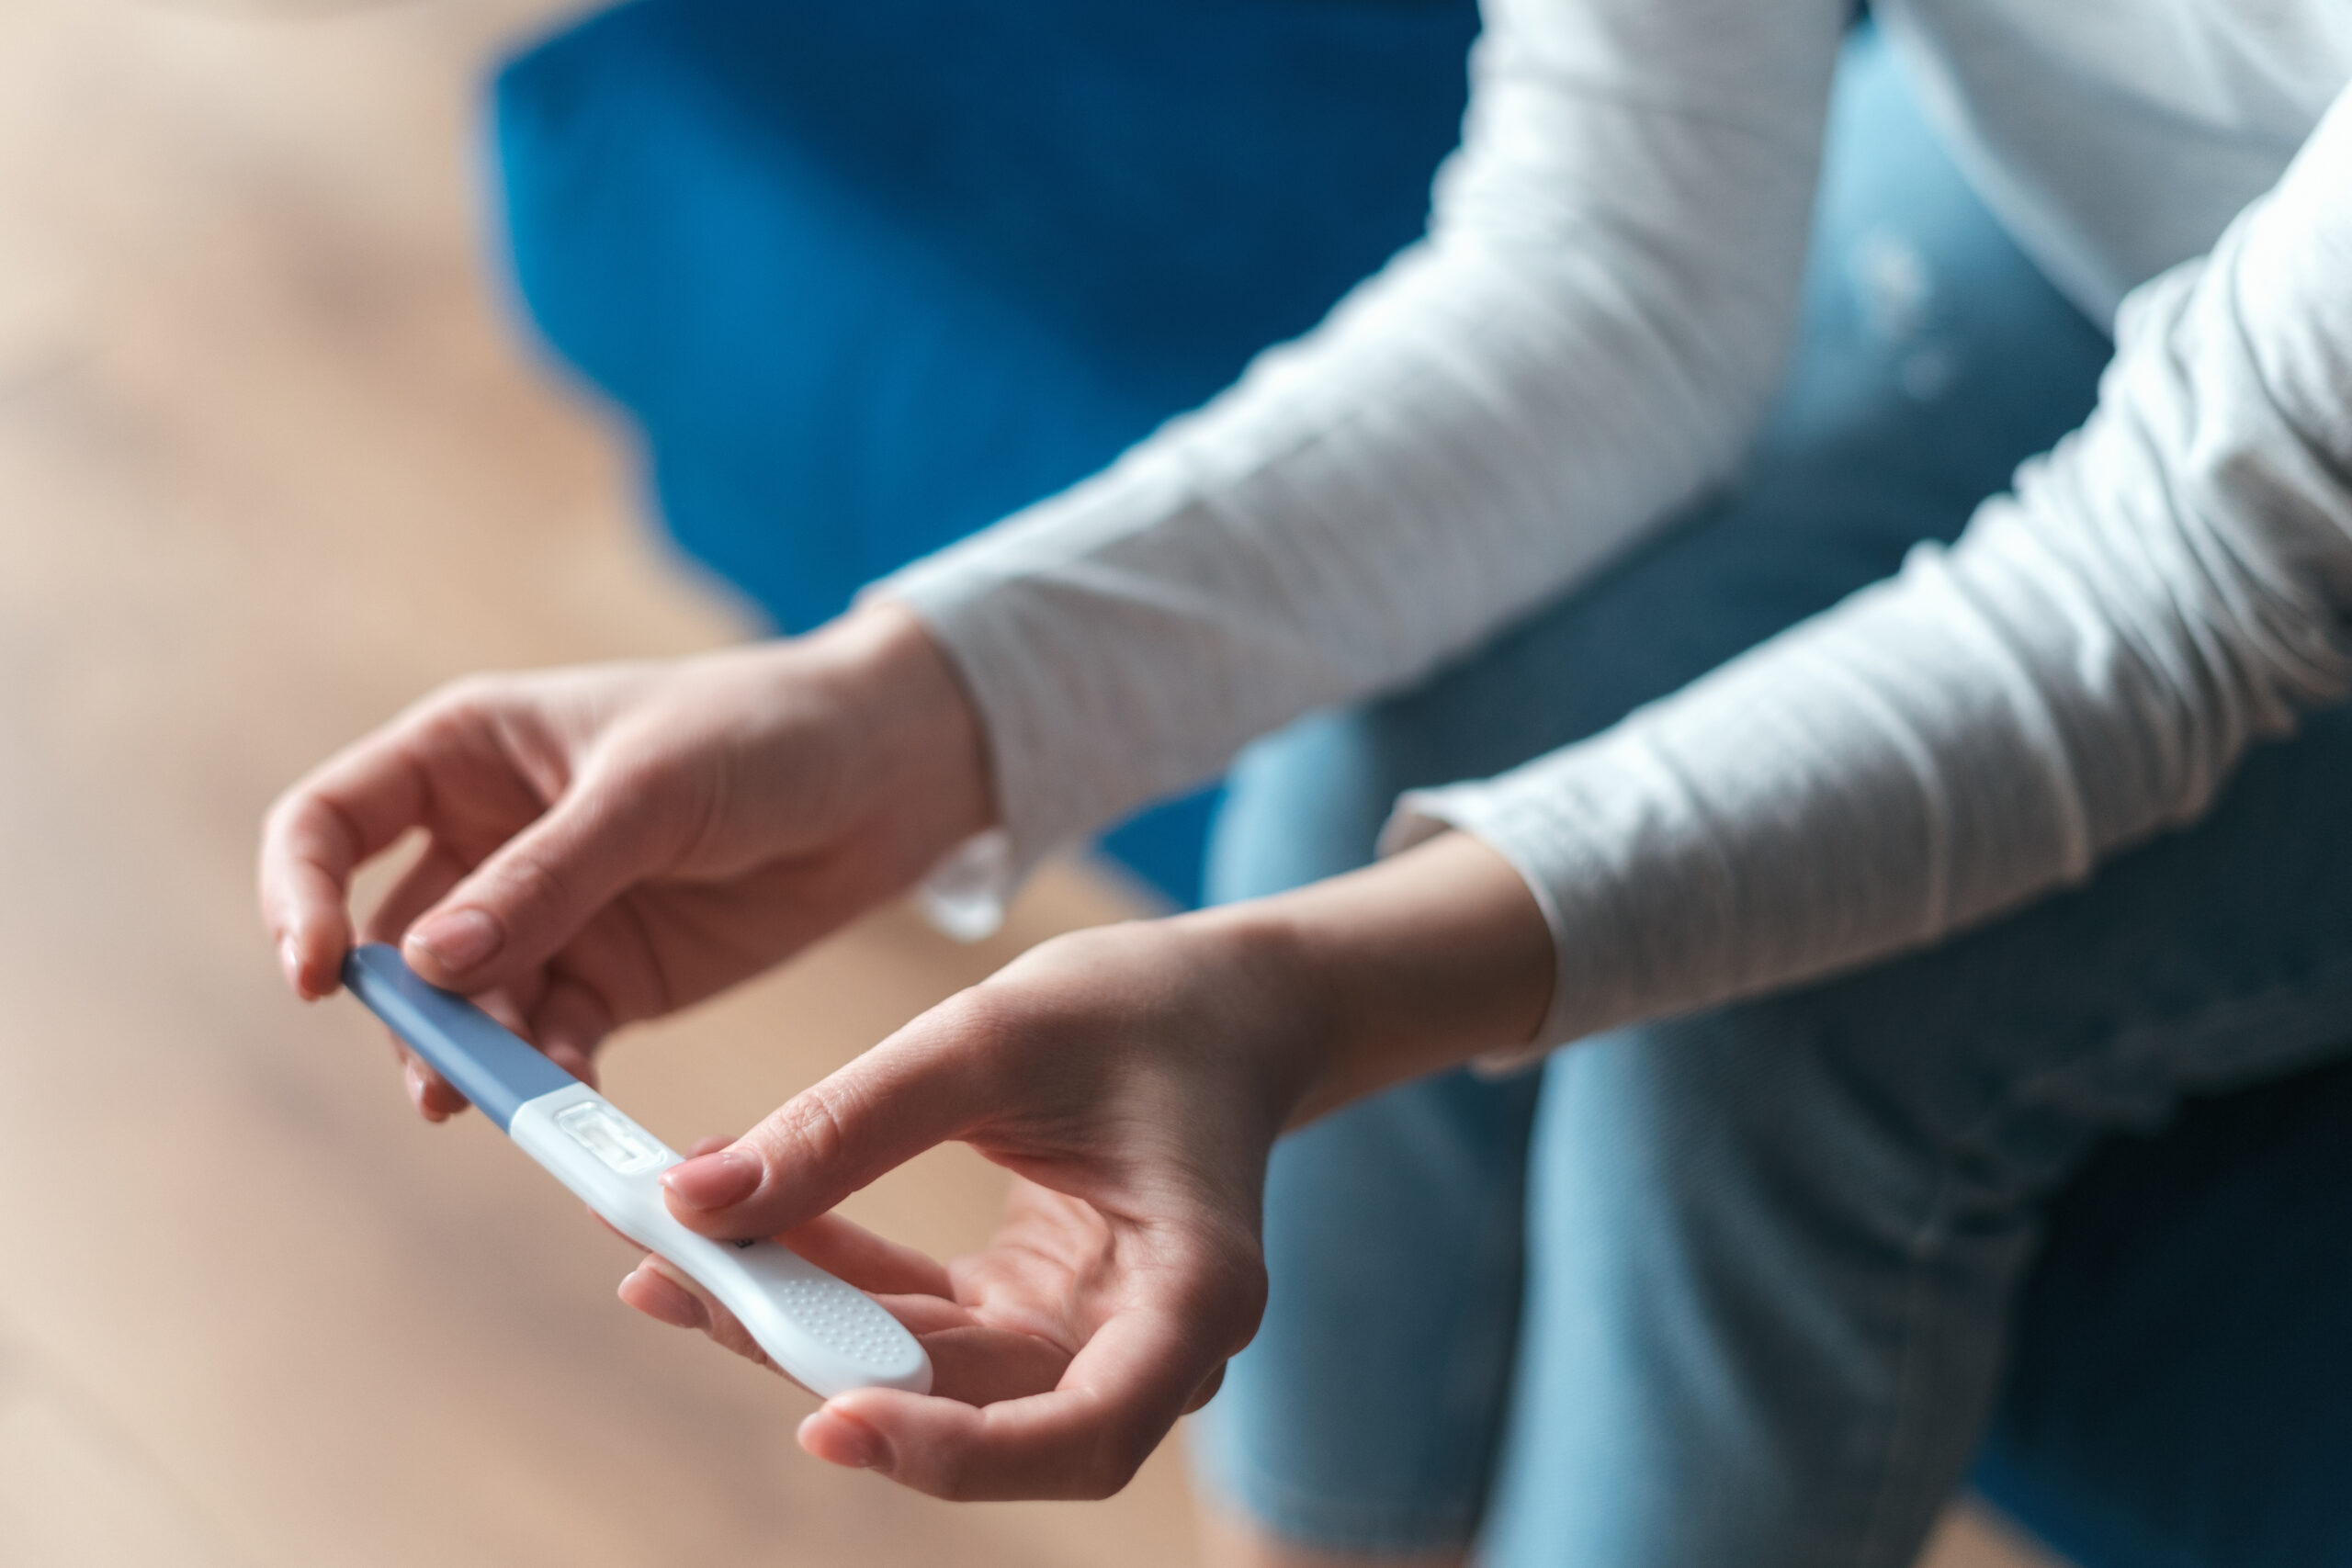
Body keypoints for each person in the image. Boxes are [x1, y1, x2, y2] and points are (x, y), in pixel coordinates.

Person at [259, 3, 2352, 1563]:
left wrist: (1311, 996)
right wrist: (908, 706)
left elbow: (2189, 583)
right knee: (1376, 761)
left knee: (1780, 1035)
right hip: (2111, 183)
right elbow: (1610, 273)